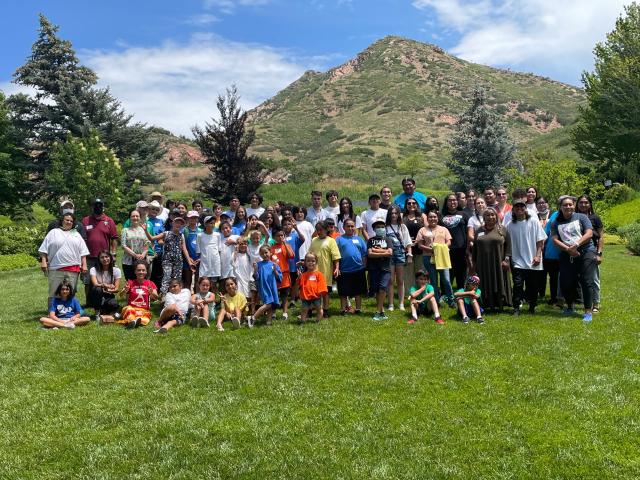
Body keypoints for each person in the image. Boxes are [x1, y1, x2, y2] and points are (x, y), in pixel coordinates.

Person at [550, 196, 597, 322]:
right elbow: (554, 240)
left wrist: (576, 245)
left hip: (586, 251)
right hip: (567, 253)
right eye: (565, 205)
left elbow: (589, 233)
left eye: (570, 204)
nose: (568, 207)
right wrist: (568, 249)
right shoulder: (556, 222)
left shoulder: (582, 217)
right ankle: (570, 306)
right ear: (560, 207)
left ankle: (588, 311)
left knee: (586, 280)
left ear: (573, 205)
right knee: (566, 281)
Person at [507, 198, 547, 315]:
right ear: (513, 210)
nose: (519, 209)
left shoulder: (534, 222)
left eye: (522, 207)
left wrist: (538, 256)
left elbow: (540, 240)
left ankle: (532, 306)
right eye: (517, 207)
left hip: (532, 260)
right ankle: (516, 308)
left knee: (533, 286)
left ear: (525, 209)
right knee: (518, 285)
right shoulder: (510, 225)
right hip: (517, 260)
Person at [39, 212, 89, 304]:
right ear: (62, 221)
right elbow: (43, 249)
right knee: (54, 292)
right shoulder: (53, 232)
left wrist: (84, 264)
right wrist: (43, 261)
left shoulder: (76, 234)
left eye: (71, 221)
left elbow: (83, 251)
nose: (69, 222)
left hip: (73, 268)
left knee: (70, 292)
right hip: (56, 268)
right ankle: (52, 312)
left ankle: (69, 313)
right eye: (67, 220)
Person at [471, 208, 512, 311]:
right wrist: (473, 264)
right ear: (484, 217)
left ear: (496, 216)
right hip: (482, 263)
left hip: (498, 262)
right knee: (484, 282)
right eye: (488, 215)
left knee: (499, 281)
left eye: (492, 215)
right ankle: (486, 303)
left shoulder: (502, 229)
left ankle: (500, 303)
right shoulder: (479, 230)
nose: (490, 217)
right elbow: (475, 248)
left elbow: (509, 246)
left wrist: (506, 260)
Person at [82, 198, 118, 299]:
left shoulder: (109, 221)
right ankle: (89, 302)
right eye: (95, 205)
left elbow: (114, 238)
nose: (97, 207)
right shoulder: (85, 220)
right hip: (89, 256)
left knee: (104, 280)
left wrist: (114, 254)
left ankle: (105, 299)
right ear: (91, 207)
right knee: (88, 281)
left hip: (104, 258)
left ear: (103, 207)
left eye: (99, 205)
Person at [416, 210, 453, 305]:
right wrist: (431, 250)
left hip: (442, 257)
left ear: (438, 218)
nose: (433, 219)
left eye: (435, 217)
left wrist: (441, 248)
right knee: (433, 280)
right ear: (427, 219)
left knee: (446, 280)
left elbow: (449, 242)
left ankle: (451, 300)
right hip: (428, 257)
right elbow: (420, 245)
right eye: (430, 217)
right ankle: (436, 300)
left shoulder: (444, 229)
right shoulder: (422, 230)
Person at [576, 195, 604, 312]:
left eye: (586, 202)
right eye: (581, 202)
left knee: (593, 278)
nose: (583, 205)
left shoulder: (595, 218)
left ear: (590, 204)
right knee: (580, 278)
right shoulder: (574, 217)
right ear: (577, 204)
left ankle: (595, 303)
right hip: (576, 251)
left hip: (591, 251)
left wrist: (599, 253)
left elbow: (601, 237)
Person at [148, 215, 188, 295]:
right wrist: (145, 230)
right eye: (177, 222)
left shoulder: (182, 235)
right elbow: (152, 238)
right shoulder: (166, 233)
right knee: (166, 277)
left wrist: (189, 261)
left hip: (178, 261)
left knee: (177, 279)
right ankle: (164, 295)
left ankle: (176, 295)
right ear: (172, 223)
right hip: (167, 260)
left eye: (180, 223)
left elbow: (184, 249)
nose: (178, 224)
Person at [335, 219, 368, 315]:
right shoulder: (339, 239)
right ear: (344, 227)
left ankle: (358, 309)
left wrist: (364, 266)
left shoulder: (359, 239)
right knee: (343, 292)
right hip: (344, 270)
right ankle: (343, 310)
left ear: (355, 227)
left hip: (358, 269)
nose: (350, 228)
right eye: (348, 226)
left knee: (358, 291)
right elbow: (335, 255)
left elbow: (364, 254)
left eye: (352, 226)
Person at [310, 221, 341, 317]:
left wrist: (336, 268)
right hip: (314, 271)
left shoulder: (331, 241)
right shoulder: (314, 240)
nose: (319, 232)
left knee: (325, 292)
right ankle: (311, 309)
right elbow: (310, 254)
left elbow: (335, 256)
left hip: (326, 271)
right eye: (317, 230)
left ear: (326, 229)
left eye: (321, 230)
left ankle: (325, 311)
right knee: (313, 291)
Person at [440, 193, 470, 290]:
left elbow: (469, 232)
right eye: (450, 200)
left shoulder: (464, 215)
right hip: (446, 250)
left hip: (461, 250)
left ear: (458, 202)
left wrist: (468, 249)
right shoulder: (441, 216)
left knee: (461, 275)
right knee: (446, 274)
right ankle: (445, 295)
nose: (452, 202)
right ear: (446, 202)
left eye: (454, 200)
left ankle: (461, 294)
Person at [385, 205, 411, 311]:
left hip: (400, 253)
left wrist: (409, 254)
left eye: (396, 213)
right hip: (389, 255)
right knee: (390, 280)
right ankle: (390, 303)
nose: (394, 215)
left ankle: (401, 303)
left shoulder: (402, 227)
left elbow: (407, 241)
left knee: (400, 280)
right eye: (391, 213)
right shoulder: (385, 227)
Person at [367, 220, 393, 321]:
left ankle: (378, 312)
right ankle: (381, 311)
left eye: (382, 226)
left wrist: (376, 250)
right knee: (377, 290)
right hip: (373, 268)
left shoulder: (388, 240)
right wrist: (384, 252)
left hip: (385, 268)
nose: (380, 228)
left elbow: (390, 253)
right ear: (374, 229)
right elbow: (369, 254)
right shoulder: (370, 240)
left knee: (383, 288)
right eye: (378, 227)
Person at [119, 261, 158, 329]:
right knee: (128, 310)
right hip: (131, 308)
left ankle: (132, 321)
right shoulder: (130, 283)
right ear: (135, 272)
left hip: (144, 310)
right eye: (139, 270)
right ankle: (134, 321)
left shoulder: (150, 283)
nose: (141, 272)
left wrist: (151, 292)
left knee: (145, 318)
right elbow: (121, 295)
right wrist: (125, 290)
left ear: (146, 272)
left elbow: (156, 298)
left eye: (143, 270)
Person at [251, 245, 282, 326]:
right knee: (268, 304)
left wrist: (275, 271)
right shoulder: (259, 265)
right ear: (260, 255)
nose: (264, 255)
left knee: (271, 305)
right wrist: (255, 270)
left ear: (270, 253)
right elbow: (256, 277)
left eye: (266, 252)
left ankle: (268, 322)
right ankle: (253, 318)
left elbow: (279, 278)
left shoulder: (274, 264)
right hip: (264, 287)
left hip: (272, 287)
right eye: (262, 253)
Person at [88, 250, 121, 323]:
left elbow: (116, 289)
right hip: (95, 294)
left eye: (107, 257)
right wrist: (104, 285)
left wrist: (108, 289)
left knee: (114, 304)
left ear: (110, 258)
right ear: (99, 259)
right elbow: (95, 284)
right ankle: (97, 312)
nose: (105, 259)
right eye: (102, 257)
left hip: (108, 294)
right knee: (98, 289)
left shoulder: (116, 270)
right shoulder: (93, 269)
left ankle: (104, 311)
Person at [270, 227, 295, 320]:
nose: (280, 237)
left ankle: (285, 313)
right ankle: (273, 313)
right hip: (275, 275)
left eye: (282, 235)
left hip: (284, 274)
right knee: (274, 295)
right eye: (278, 235)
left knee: (284, 295)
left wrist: (284, 244)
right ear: (274, 237)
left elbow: (291, 256)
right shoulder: (272, 248)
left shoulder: (287, 246)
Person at [121, 209, 152, 281]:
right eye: (133, 216)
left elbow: (147, 243)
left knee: (143, 282)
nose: (135, 218)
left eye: (137, 216)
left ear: (140, 218)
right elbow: (123, 245)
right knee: (130, 282)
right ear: (129, 218)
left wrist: (143, 254)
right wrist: (135, 255)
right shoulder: (125, 230)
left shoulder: (144, 230)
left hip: (142, 260)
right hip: (128, 261)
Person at [402, 198, 426, 289]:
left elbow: (426, 230)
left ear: (417, 204)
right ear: (406, 205)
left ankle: (422, 290)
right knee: (408, 273)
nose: (411, 205)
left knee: (420, 271)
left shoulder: (422, 216)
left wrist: (418, 240)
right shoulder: (402, 216)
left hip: (420, 248)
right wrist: (407, 241)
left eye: (414, 203)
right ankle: (410, 293)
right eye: (409, 203)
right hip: (407, 249)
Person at [298, 252, 329, 322]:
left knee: (319, 308)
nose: (310, 263)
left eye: (313, 261)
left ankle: (318, 320)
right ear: (305, 263)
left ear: (316, 262)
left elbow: (322, 284)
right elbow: (299, 284)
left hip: (316, 296)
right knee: (304, 309)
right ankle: (302, 321)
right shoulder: (303, 274)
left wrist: (321, 292)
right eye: (308, 261)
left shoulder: (319, 274)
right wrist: (299, 278)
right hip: (305, 296)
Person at [282, 218, 305, 306]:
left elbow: (303, 239)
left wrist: (297, 229)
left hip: (294, 263)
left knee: (295, 281)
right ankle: (285, 299)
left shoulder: (295, 235)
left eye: (289, 224)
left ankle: (292, 299)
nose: (287, 226)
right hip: (284, 264)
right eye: (285, 224)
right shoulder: (281, 236)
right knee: (287, 282)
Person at [196, 215, 221, 285]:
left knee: (213, 284)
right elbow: (198, 252)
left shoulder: (218, 235)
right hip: (204, 263)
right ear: (205, 224)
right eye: (210, 223)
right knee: (203, 283)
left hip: (215, 263)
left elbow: (219, 250)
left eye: (213, 223)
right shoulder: (199, 236)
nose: (212, 225)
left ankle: (214, 296)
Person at [182, 211, 202, 290]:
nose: (193, 219)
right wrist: (189, 258)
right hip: (187, 259)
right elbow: (183, 246)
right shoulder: (184, 230)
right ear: (188, 219)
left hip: (199, 259)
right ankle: (187, 299)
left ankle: (196, 298)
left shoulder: (200, 231)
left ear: (197, 219)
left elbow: (203, 246)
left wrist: (200, 258)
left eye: (195, 218)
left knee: (198, 280)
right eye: (191, 218)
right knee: (188, 281)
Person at [147, 200, 166, 288]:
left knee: (158, 271)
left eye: (156, 210)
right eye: (153, 209)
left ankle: (157, 290)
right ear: (149, 210)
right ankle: (148, 289)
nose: (154, 211)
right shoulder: (145, 221)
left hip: (159, 250)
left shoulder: (161, 221)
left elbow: (163, 234)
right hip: (148, 250)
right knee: (149, 271)